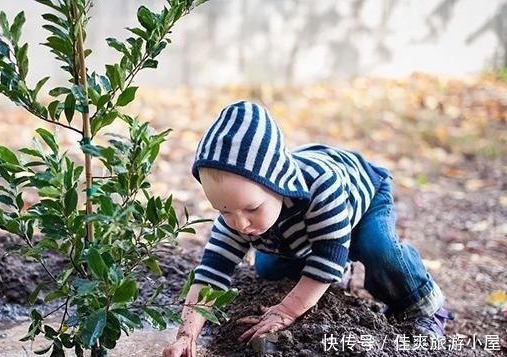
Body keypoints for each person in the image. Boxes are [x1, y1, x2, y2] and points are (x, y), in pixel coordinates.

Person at [162, 101, 453, 357]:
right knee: (269, 269)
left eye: (251, 209)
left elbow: (327, 255)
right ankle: (337, 269)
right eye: (223, 211)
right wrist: (186, 335)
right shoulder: (240, 211)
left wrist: (287, 310)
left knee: (377, 248)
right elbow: (211, 273)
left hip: (360, 200)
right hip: (299, 222)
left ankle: (422, 305)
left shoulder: (321, 186)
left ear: (276, 184)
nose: (239, 223)